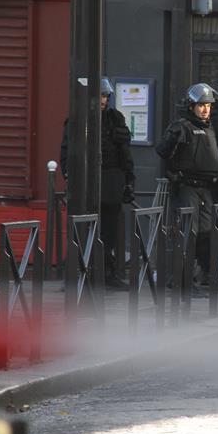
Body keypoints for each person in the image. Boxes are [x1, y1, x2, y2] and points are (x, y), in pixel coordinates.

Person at [60, 77, 135, 290]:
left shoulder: (115, 118)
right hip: (86, 182)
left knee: (109, 231)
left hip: (111, 180)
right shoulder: (76, 119)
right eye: (100, 95)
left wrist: (129, 180)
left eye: (105, 96)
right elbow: (67, 153)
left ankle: (106, 272)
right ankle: (76, 272)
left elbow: (125, 153)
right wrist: (70, 178)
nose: (103, 100)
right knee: (83, 229)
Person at [155, 83, 218, 287]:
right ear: (192, 105)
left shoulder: (210, 127)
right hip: (187, 187)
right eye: (201, 105)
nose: (205, 109)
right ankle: (180, 279)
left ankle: (203, 274)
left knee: (206, 233)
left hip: (207, 187)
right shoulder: (182, 127)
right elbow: (163, 153)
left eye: (209, 106)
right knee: (187, 233)